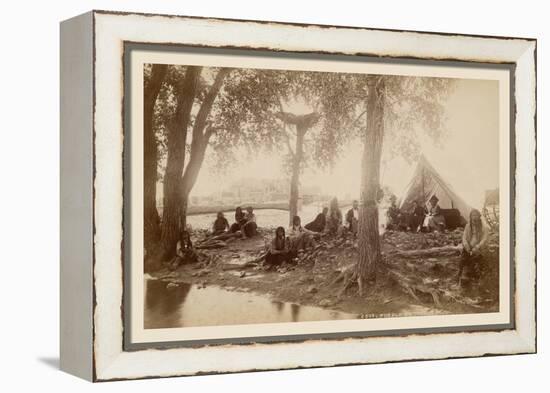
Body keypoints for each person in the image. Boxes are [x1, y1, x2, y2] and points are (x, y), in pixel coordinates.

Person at [457, 209, 489, 285]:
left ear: (479, 217)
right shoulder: (468, 226)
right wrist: (466, 245)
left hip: (479, 248)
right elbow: (464, 237)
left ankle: (477, 277)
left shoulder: (484, 227)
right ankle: (461, 275)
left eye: (476, 215)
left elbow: (484, 239)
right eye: (472, 216)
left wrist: (477, 247)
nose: (474, 217)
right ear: (470, 217)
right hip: (469, 247)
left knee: (477, 261)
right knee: (463, 260)